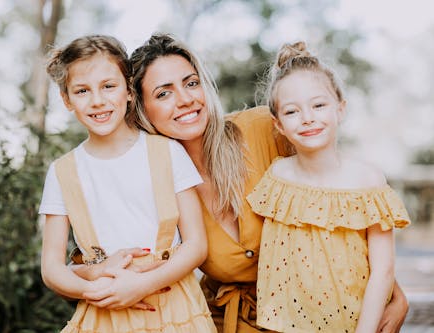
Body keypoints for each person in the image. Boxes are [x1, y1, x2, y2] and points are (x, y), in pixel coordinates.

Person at [75, 33, 410, 333]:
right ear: (141, 108)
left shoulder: (266, 128)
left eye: (191, 83)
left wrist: (394, 295)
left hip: (314, 314)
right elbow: (94, 249)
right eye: (164, 93)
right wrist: (93, 271)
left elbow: (338, 199)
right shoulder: (151, 177)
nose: (186, 99)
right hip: (225, 321)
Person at [39, 34, 216, 332]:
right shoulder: (62, 172)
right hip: (104, 314)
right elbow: (52, 269)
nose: (98, 101)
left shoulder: (166, 151)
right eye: (82, 91)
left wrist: (142, 284)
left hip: (174, 308)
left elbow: (196, 244)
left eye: (109, 86)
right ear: (67, 99)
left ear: (129, 91)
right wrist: (97, 286)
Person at [246, 41, 410, 332]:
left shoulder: (368, 181)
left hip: (354, 324)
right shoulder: (276, 178)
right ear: (278, 124)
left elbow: (383, 270)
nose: (308, 118)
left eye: (319, 105)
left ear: (340, 109)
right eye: (292, 111)